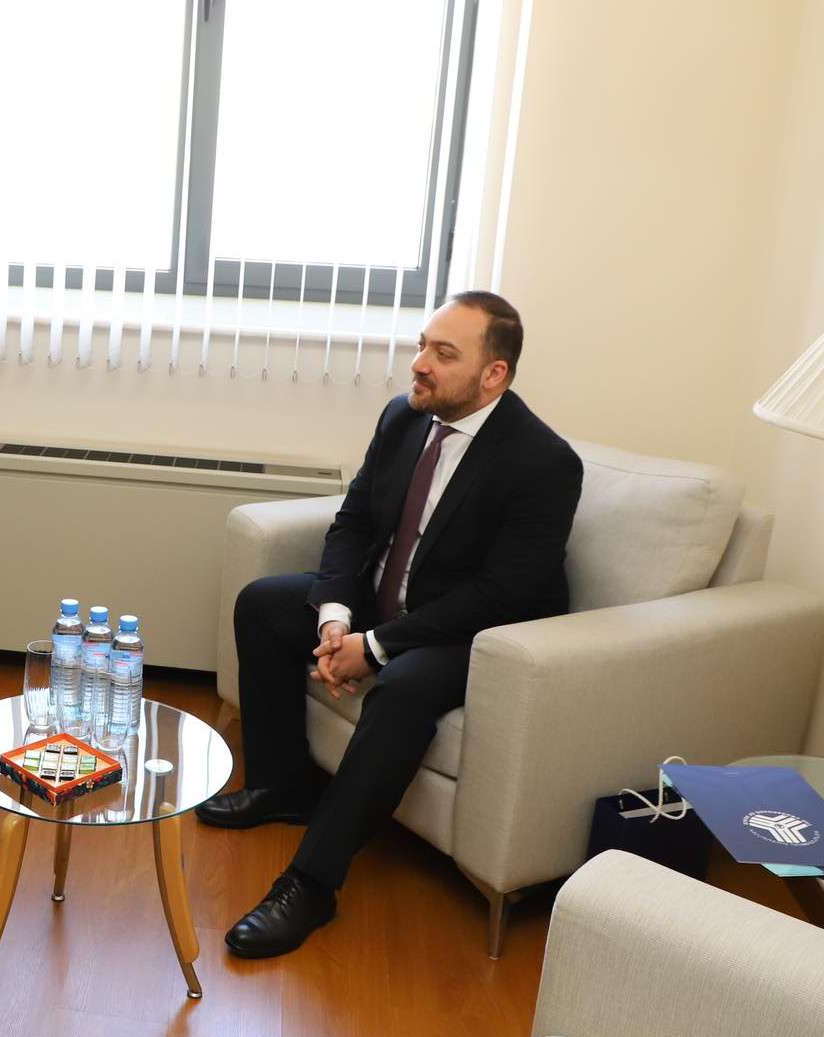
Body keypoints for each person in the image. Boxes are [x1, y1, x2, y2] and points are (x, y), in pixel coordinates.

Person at [198, 292, 583, 958]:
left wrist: (374, 648)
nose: (420, 364)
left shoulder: (542, 462)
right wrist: (336, 616)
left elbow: (502, 592)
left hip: (477, 633)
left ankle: (311, 884)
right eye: (422, 345)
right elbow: (353, 524)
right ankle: (281, 787)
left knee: (402, 688)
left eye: (444, 353)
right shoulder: (404, 418)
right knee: (263, 604)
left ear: (494, 374)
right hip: (386, 601)